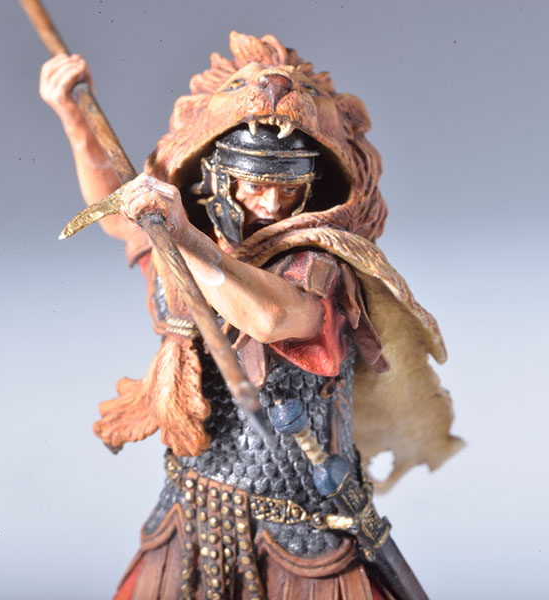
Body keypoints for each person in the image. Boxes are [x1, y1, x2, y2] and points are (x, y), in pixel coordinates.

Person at [40, 32, 462, 599]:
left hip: (301, 522)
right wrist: (72, 116)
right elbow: (119, 217)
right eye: (255, 186)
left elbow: (270, 316)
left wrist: (185, 236)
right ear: (219, 179)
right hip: (193, 506)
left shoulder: (320, 265)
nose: (269, 204)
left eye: (287, 189)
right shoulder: (189, 244)